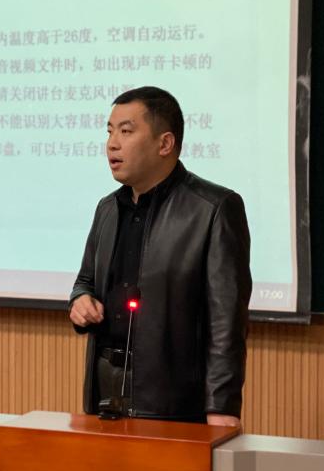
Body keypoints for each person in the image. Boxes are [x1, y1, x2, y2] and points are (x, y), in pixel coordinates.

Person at [68, 86, 252, 426]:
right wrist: (80, 301)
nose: (112, 144)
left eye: (126, 131)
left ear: (165, 143)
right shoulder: (108, 208)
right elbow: (86, 281)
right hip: (104, 395)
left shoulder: (213, 209)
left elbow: (226, 322)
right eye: (109, 132)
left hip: (172, 401)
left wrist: (222, 406)